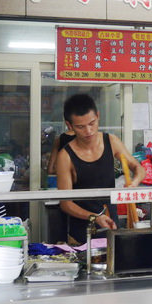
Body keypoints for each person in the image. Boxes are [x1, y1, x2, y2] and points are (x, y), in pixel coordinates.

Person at [56, 94, 145, 245]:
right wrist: (95, 217)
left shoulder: (111, 141)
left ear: (98, 116)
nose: (89, 131)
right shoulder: (65, 157)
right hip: (81, 234)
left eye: (92, 123)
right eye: (80, 127)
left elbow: (138, 168)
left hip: (112, 225)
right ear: (69, 126)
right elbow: (66, 203)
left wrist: (134, 183)